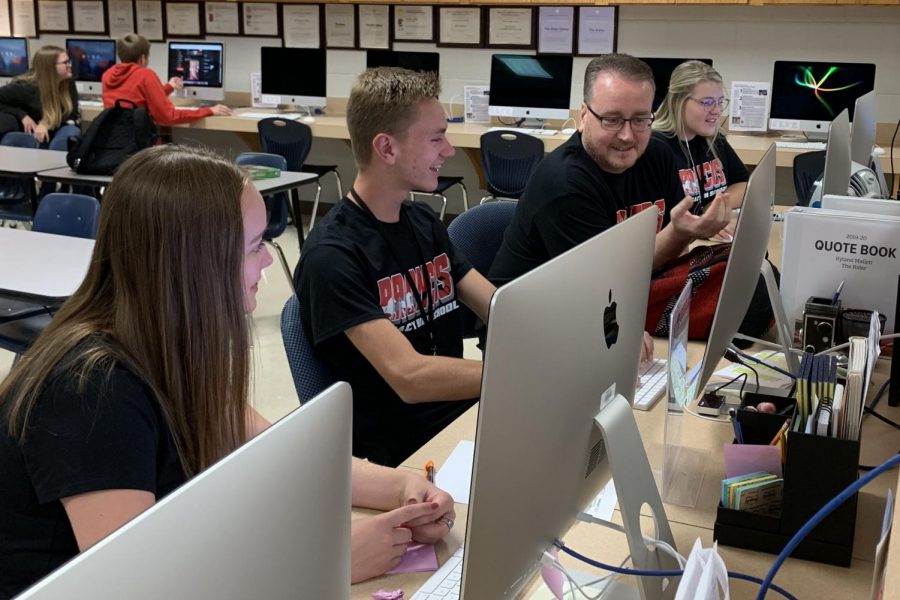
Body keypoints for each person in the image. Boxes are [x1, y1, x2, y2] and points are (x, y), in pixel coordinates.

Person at [0, 145, 455, 598]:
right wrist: (321, 558)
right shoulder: (92, 390)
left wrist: (401, 486)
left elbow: (279, 453)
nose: (267, 263)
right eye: (255, 246)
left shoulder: (169, 343)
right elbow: (133, 588)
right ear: (194, 264)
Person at [294, 67, 496, 468]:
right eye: (436, 137)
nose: (450, 150)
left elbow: (498, 306)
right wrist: (514, 374)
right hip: (405, 455)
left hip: (464, 418)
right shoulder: (332, 256)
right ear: (387, 148)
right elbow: (410, 377)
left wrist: (568, 341)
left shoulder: (423, 223)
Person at [489, 53, 731, 289]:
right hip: (538, 316)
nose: (627, 136)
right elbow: (605, 281)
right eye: (612, 119)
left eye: (639, 119)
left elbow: (669, 258)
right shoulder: (564, 183)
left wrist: (683, 233)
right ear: (583, 116)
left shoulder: (658, 154)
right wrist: (680, 233)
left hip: (618, 295)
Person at [652, 60, 749, 242]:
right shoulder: (656, 148)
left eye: (720, 102)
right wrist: (703, 225)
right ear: (678, 101)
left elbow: (744, 184)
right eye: (707, 102)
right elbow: (662, 222)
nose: (716, 111)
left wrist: (712, 210)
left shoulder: (713, 139)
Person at [101, 33, 231, 125]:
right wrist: (209, 111)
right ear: (142, 58)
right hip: (140, 145)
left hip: (116, 143)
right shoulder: (145, 75)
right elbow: (169, 117)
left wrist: (168, 87)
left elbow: (137, 98)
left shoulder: (108, 75)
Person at [0, 45, 80, 144]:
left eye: (69, 61)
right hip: (31, 136)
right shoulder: (26, 87)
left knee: (70, 132)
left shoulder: (68, 83)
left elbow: (72, 115)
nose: (70, 65)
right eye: (65, 63)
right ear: (50, 67)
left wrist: (47, 124)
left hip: (55, 132)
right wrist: (22, 115)